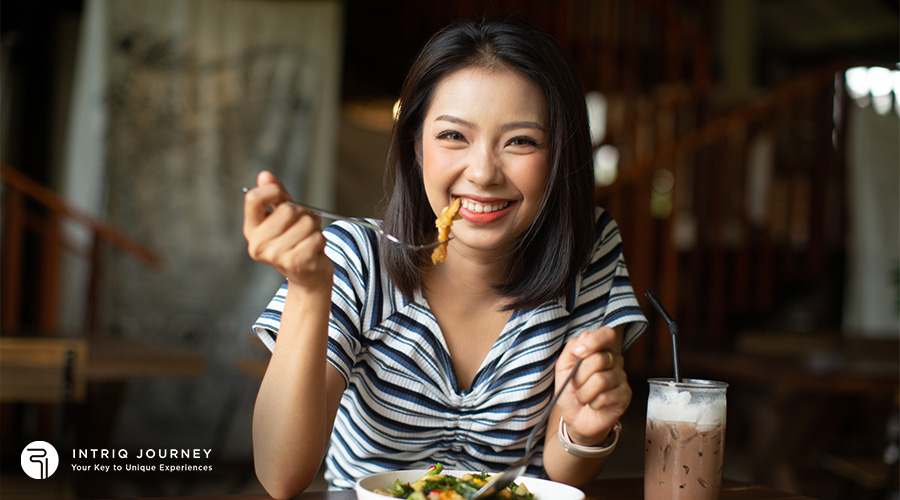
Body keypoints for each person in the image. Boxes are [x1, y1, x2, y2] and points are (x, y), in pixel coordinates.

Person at [242, 16, 647, 498]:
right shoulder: (353, 258)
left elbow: (561, 476)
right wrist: (310, 289)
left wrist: (582, 430)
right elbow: (281, 476)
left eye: (521, 141)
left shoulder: (590, 251)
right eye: (454, 136)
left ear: (559, 154)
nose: (482, 172)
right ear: (416, 145)